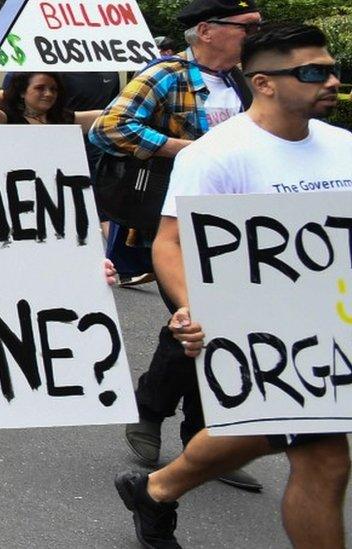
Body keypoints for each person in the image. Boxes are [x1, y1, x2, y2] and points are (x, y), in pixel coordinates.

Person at [115, 23, 350, 549]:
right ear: (263, 82)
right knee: (326, 457)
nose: (331, 81)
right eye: (314, 72)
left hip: (336, 327)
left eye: (333, 70)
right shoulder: (217, 154)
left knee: (265, 428)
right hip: (266, 334)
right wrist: (196, 313)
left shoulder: (343, 147)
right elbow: (169, 245)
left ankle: (155, 489)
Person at [88, 0, 265, 492]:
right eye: (247, 26)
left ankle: (193, 435)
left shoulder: (243, 82)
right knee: (202, 318)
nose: (255, 33)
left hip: (235, 227)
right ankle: (181, 428)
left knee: (211, 322)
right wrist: (192, 152)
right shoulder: (167, 75)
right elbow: (111, 127)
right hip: (177, 223)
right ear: (207, 30)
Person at [0, 69, 101, 131]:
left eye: (53, 89)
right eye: (40, 88)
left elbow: (108, 116)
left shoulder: (64, 118)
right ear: (23, 92)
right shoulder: (8, 119)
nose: (48, 94)